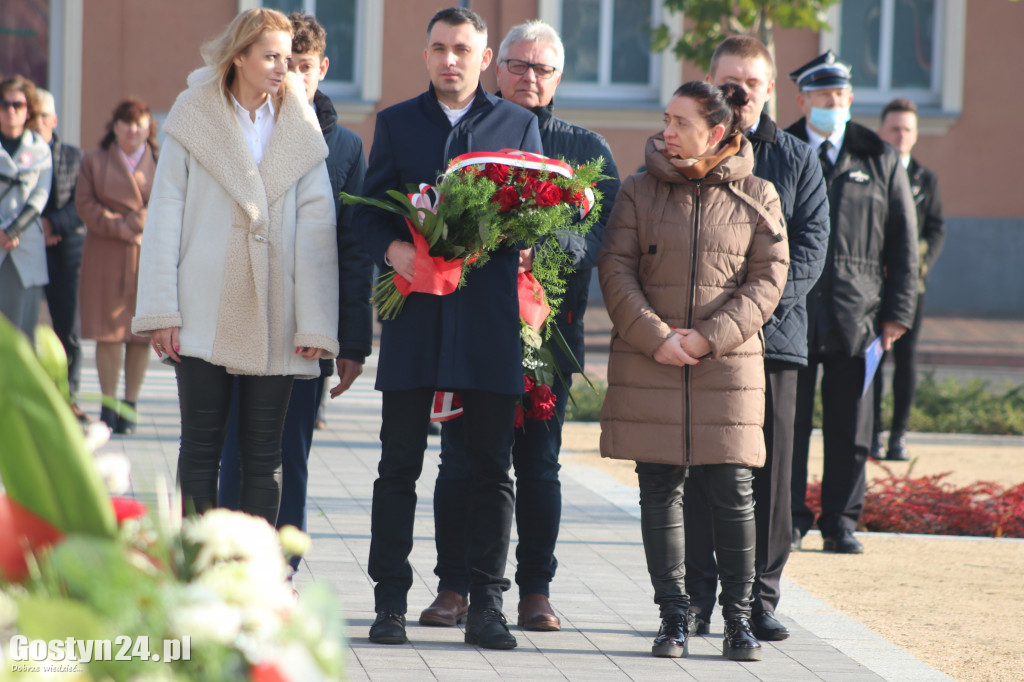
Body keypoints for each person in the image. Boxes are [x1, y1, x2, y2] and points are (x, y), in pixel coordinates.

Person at [421, 19, 621, 634]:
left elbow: (597, 235)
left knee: (537, 466)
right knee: (461, 462)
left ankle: (535, 590)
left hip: (546, 335)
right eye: (518, 65)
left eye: (543, 68)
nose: (529, 77)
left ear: (558, 77)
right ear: (495, 66)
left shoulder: (587, 150)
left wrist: (540, 251)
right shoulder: (468, 134)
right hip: (470, 330)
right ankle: (454, 586)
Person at [354, 7, 541, 650]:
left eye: (462, 48)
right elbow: (370, 214)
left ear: (485, 58)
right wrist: (395, 252)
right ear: (426, 54)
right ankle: (389, 604)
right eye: (439, 48)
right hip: (415, 319)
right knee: (397, 465)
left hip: (487, 320)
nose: (450, 60)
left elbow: (539, 215)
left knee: (492, 467)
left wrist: (511, 240)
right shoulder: (398, 123)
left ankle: (488, 604)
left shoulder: (517, 124)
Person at [598, 81, 789, 660]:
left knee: (733, 490)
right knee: (659, 488)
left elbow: (768, 279)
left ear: (717, 131)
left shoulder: (758, 194)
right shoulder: (637, 191)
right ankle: (674, 617)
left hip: (727, 367)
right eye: (666, 119)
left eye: (681, 121)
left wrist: (709, 338)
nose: (667, 131)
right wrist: (656, 337)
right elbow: (616, 268)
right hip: (649, 361)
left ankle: (739, 621)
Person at [131, 8, 339, 526]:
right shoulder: (192, 111)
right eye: (270, 56)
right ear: (239, 55)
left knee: (265, 455)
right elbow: (164, 216)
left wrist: (315, 319)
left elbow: (317, 222)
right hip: (202, 304)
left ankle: (256, 577)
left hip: (277, 310)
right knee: (199, 449)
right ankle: (196, 572)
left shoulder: (298, 115)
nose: (281, 68)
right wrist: (161, 310)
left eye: (287, 59)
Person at [683, 36, 829, 642]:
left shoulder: (796, 159)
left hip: (774, 344)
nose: (740, 93)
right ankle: (696, 598)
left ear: (770, 91)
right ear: (711, 84)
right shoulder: (689, 152)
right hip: (703, 345)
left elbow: (812, 248)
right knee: (700, 471)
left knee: (771, 479)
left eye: (752, 83)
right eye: (729, 83)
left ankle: (760, 599)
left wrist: (753, 314)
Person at [217, 11, 372, 571]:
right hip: (238, 318)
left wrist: (352, 342)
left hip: (307, 328)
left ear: (323, 69)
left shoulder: (345, 148)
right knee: (235, 448)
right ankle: (232, 562)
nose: (292, 77)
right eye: (283, 63)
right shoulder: (241, 130)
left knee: (291, 455)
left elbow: (354, 252)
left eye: (304, 66)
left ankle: (283, 567)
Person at [786, 52, 918, 554]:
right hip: (791, 311)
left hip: (857, 316)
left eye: (840, 96)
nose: (832, 104)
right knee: (787, 428)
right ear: (803, 100)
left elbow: (904, 244)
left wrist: (896, 315)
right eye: (823, 97)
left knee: (851, 428)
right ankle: (790, 517)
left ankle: (840, 521)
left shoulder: (878, 155)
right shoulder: (782, 147)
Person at [75, 98, 158, 434]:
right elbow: (84, 203)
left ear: (149, 127)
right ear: (114, 127)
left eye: (139, 123)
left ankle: (131, 403)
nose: (132, 130)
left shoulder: (162, 161)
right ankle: (108, 406)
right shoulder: (93, 162)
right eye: (126, 123)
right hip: (105, 253)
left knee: (140, 334)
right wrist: (119, 227)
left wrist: (137, 222)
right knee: (107, 334)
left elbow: (169, 201)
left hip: (145, 254)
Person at [871, 98, 944, 461]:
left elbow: (936, 228)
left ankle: (898, 435)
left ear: (915, 136)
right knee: (872, 361)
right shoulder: (870, 171)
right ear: (882, 131)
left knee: (906, 360)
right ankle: (871, 433)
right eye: (895, 128)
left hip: (911, 288)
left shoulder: (924, 178)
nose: (901, 135)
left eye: (908, 130)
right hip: (873, 285)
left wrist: (920, 263)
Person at [33, 89, 87, 421]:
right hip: (21, 247)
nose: (36, 122)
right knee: (20, 326)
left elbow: (81, 203)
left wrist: (50, 225)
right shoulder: (15, 155)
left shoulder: (73, 156)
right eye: (32, 115)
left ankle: (69, 397)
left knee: (67, 329)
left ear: (54, 120)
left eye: (43, 116)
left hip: (65, 249)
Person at [0, 75, 52, 342]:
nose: (10, 110)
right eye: (4, 104)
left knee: (22, 332)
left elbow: (40, 195)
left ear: (28, 110)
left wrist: (13, 230)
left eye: (17, 104)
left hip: (24, 242)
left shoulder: (41, 149)